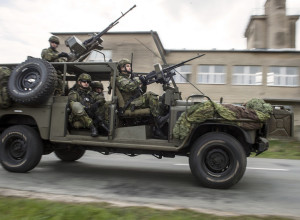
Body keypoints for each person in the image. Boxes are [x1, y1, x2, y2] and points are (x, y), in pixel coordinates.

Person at [116, 58, 167, 138]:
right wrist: (140, 80)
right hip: (128, 105)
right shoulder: (120, 79)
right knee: (150, 95)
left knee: (160, 101)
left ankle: (156, 128)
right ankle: (158, 120)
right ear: (122, 68)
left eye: (130, 66)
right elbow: (130, 87)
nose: (130, 68)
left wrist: (144, 83)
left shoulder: (130, 78)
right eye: (128, 66)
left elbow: (141, 92)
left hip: (135, 101)